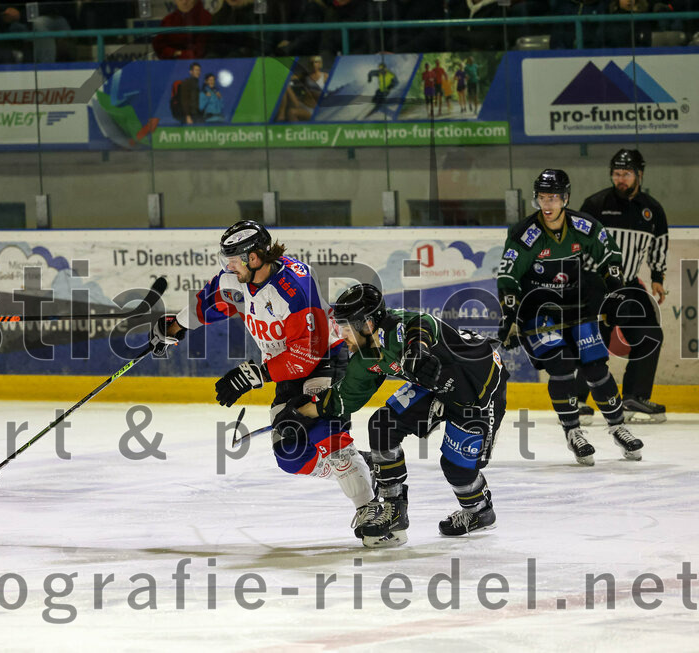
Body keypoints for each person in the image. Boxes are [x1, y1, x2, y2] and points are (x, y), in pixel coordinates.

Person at [148, 221, 376, 540]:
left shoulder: (295, 286)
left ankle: (369, 506)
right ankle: (360, 466)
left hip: (324, 359)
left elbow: (307, 352)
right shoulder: (237, 278)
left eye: (234, 258)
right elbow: (206, 304)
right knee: (290, 455)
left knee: (326, 435)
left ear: (254, 258)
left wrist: (256, 374)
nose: (228, 266)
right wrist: (175, 328)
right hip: (285, 369)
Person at [311, 283, 509, 547]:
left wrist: (418, 350)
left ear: (367, 324)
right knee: (382, 425)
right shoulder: (366, 355)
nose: (341, 334)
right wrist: (304, 410)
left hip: (479, 389)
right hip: (436, 388)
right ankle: (394, 509)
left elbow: (422, 323)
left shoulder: (399, 327)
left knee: (458, 471)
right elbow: (344, 398)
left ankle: (480, 511)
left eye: (346, 327)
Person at [497, 169, 644, 465]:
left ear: (565, 198)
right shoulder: (525, 234)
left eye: (553, 197)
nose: (547, 204)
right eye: (542, 197)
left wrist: (616, 293)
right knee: (561, 366)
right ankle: (573, 432)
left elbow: (609, 257)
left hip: (576, 307)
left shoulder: (584, 226)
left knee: (595, 367)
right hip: (538, 312)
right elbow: (508, 276)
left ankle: (617, 427)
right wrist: (510, 316)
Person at [576, 149, 668, 423]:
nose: (621, 179)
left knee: (650, 334)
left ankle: (633, 397)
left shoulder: (652, 210)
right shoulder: (594, 205)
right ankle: (576, 400)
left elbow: (658, 246)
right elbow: (575, 243)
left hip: (628, 286)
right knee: (593, 339)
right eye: (616, 174)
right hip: (596, 284)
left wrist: (657, 278)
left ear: (639, 174)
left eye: (626, 174)